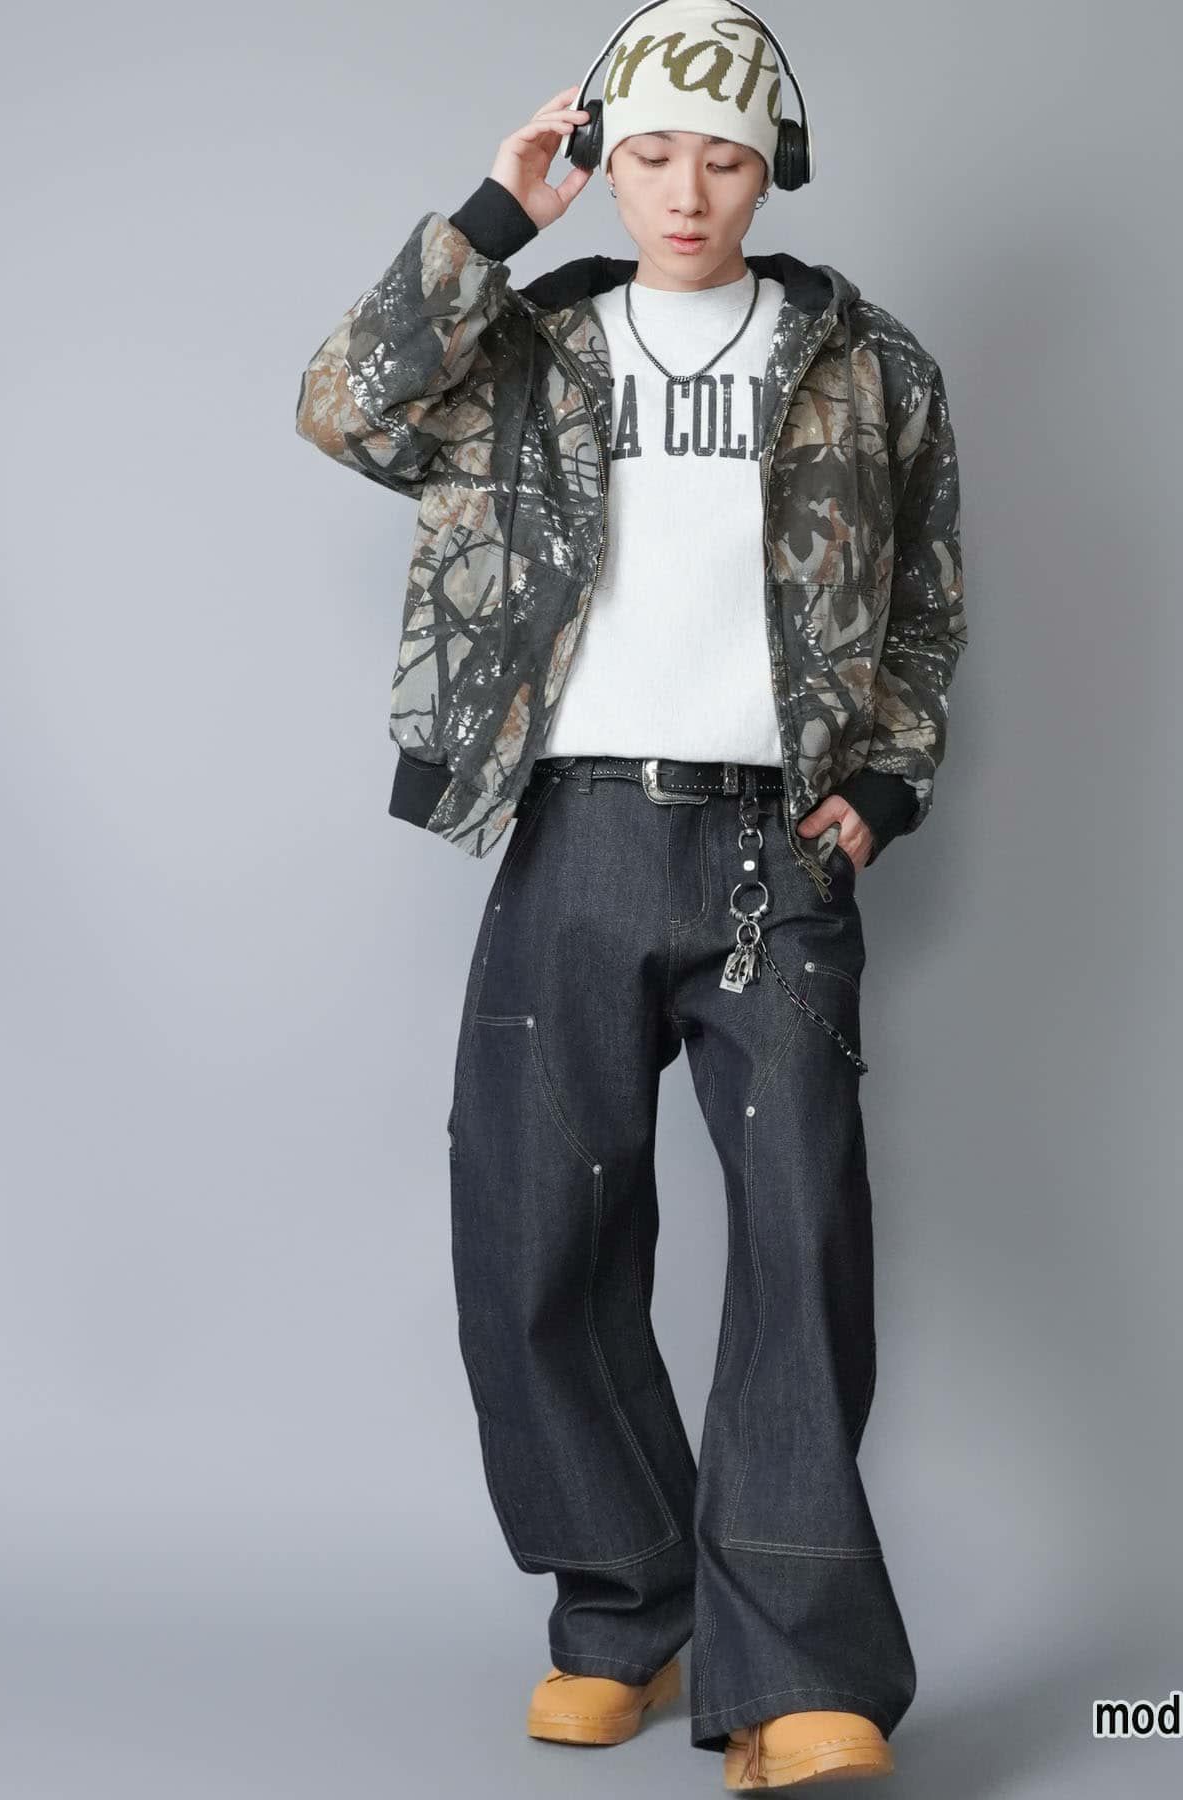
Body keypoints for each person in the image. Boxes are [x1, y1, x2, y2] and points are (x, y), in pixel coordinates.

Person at [294, 2, 966, 1785]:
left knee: (801, 1243)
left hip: (777, 849)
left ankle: (799, 1673)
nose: (684, 190)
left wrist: (886, 785)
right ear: (605, 163)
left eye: (723, 156)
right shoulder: (531, 347)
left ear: (773, 168)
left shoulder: (869, 364)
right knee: (535, 1234)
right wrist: (493, 216)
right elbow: (342, 408)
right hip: (575, 826)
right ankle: (625, 1607)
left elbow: (923, 602)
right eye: (650, 152)